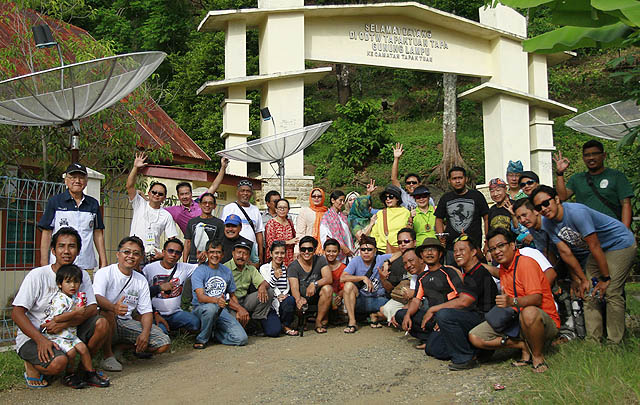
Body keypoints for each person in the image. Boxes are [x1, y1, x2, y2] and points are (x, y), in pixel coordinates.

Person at [531, 185, 636, 344]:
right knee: (588, 290)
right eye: (538, 207)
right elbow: (566, 253)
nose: (543, 209)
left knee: (612, 290)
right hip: (599, 249)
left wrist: (606, 278)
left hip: (620, 243)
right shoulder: (547, 222)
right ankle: (593, 341)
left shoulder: (577, 213)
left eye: (546, 203)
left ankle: (614, 342)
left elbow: (594, 246)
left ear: (557, 199)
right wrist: (582, 279)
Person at [12, 227, 110, 387]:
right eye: (61, 246)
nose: (66, 251)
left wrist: (65, 323)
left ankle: (83, 371)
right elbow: (17, 313)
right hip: (36, 335)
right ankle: (31, 365)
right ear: (53, 250)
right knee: (58, 363)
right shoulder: (38, 275)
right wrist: (41, 340)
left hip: (69, 330)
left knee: (101, 323)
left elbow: (92, 308)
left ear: (78, 251)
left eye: (71, 246)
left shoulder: (81, 274)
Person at [469, 228, 560, 373]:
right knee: (475, 336)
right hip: (517, 322)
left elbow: (536, 299)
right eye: (492, 249)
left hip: (542, 321)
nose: (497, 251)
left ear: (512, 245)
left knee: (529, 312)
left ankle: (537, 357)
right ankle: (522, 345)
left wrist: (512, 302)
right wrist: (471, 263)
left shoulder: (526, 263)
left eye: (500, 246)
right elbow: (494, 271)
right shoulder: (504, 269)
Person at [422, 236, 498, 370]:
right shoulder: (468, 274)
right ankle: (475, 350)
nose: (457, 254)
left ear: (474, 252)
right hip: (470, 317)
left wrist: (433, 309)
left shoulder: (479, 272)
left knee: (444, 315)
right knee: (433, 347)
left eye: (462, 250)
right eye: (455, 250)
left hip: (485, 320)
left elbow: (464, 302)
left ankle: (465, 358)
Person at [93, 236, 171, 366]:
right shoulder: (105, 273)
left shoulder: (141, 280)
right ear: (118, 254)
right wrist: (114, 308)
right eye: (126, 252)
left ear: (140, 258)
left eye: (136, 254)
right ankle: (107, 356)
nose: (131, 256)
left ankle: (122, 348)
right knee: (107, 313)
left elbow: (146, 311)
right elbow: (97, 297)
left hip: (126, 323)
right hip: (106, 321)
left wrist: (145, 334)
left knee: (164, 343)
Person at [42, 264, 109, 388]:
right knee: (72, 353)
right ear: (59, 284)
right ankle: (69, 375)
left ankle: (89, 373)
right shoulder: (60, 299)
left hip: (71, 334)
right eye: (68, 282)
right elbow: (57, 318)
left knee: (83, 349)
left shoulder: (74, 298)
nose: (73, 285)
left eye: (76, 282)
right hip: (59, 336)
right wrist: (76, 313)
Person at [395, 238, 463, 349]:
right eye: (426, 250)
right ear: (421, 255)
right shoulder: (422, 277)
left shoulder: (448, 272)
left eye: (433, 250)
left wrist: (443, 318)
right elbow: (416, 300)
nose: (429, 253)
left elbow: (460, 299)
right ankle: (429, 338)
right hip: (432, 317)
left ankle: (437, 339)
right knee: (401, 314)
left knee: (435, 350)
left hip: (449, 315)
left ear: (440, 254)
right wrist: (407, 315)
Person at [38, 163, 107, 270]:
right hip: (60, 265)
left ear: (86, 181)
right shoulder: (55, 202)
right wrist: (43, 263)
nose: (77, 181)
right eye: (73, 177)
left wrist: (104, 261)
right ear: (66, 180)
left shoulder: (93, 204)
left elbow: (97, 233)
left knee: (86, 287)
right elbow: (47, 233)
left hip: (85, 264)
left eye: (81, 178)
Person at [554, 140, 633, 227]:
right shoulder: (577, 178)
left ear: (604, 155)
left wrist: (625, 230)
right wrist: (560, 173)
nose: (591, 158)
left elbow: (626, 204)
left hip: (612, 230)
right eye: (587, 155)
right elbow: (562, 197)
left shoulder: (616, 176)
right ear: (583, 158)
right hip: (587, 231)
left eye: (595, 154)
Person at [191, 240, 248, 348]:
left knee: (241, 339)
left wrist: (238, 309)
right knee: (211, 309)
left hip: (222, 310)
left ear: (222, 254)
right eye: (212, 252)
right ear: (207, 254)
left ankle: (215, 334)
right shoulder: (200, 271)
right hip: (202, 309)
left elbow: (232, 295)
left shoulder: (226, 271)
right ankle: (202, 339)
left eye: (218, 252)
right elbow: (201, 297)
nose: (215, 255)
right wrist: (217, 300)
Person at [126, 152, 177, 261]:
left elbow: (172, 240)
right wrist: (135, 168)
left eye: (160, 194)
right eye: (154, 192)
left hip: (153, 256)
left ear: (164, 198)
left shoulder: (166, 216)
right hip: (133, 253)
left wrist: (163, 255)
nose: (157, 195)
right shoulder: (139, 204)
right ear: (149, 193)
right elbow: (129, 186)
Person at [142, 238, 200, 335]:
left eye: (177, 252)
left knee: (195, 323)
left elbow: (201, 267)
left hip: (175, 313)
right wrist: (160, 288)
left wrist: (202, 258)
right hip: (155, 314)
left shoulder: (184, 268)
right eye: (170, 251)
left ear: (181, 255)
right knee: (162, 332)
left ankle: (174, 329)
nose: (173, 255)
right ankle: (168, 330)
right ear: (163, 252)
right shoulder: (149, 269)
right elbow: (143, 293)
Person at [224, 241, 280, 337]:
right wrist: (239, 309)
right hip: (230, 303)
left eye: (245, 254)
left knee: (269, 291)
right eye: (239, 252)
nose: (241, 256)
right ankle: (245, 325)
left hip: (245, 300)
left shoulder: (251, 269)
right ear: (233, 253)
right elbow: (224, 296)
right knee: (236, 327)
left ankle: (256, 320)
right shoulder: (224, 268)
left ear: (249, 256)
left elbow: (264, 283)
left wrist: (262, 286)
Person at [435, 166, 489, 264]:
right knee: (454, 277)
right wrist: (441, 237)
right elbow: (438, 218)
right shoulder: (445, 198)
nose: (457, 181)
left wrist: (487, 241)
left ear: (466, 179)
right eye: (454, 178)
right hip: (451, 248)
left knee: (478, 275)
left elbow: (486, 218)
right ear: (449, 180)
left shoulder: (477, 196)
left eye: (460, 178)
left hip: (473, 247)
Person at [340, 235, 391, 333]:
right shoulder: (356, 261)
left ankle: (374, 315)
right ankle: (352, 321)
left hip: (379, 299)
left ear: (375, 250)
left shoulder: (380, 258)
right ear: (360, 250)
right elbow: (343, 277)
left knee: (394, 311)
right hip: (361, 300)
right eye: (363, 249)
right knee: (348, 285)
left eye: (369, 249)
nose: (366, 252)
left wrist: (388, 261)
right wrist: (363, 278)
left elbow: (400, 254)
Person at [164, 157, 228, 234]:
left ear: (191, 194)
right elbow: (153, 206)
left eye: (187, 193)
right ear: (178, 196)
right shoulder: (175, 211)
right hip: (191, 243)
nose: (184, 197)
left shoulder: (200, 202)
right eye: (182, 194)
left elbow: (214, 186)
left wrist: (223, 167)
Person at [287, 236, 334, 334]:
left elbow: (328, 278)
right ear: (299, 250)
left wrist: (315, 284)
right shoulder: (293, 266)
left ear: (315, 250)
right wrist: (299, 299)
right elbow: (294, 287)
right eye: (303, 249)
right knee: (295, 300)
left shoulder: (320, 259)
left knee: (328, 289)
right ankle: (300, 320)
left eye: (310, 249)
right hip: (301, 296)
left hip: (316, 295)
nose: (306, 252)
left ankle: (318, 321)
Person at [221, 180, 265, 264]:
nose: (245, 193)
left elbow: (259, 233)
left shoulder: (255, 210)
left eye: (248, 191)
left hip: (250, 252)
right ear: (237, 192)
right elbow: (223, 228)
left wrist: (260, 254)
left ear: (251, 194)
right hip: (231, 251)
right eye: (242, 191)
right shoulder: (229, 208)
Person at [259, 241, 297, 336]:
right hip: (270, 304)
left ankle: (285, 325)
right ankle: (276, 324)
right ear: (271, 253)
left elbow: (288, 288)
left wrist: (285, 295)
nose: (279, 256)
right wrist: (275, 278)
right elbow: (266, 286)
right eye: (276, 253)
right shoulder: (264, 268)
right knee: (274, 332)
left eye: (282, 253)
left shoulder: (287, 269)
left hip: (283, 302)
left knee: (290, 300)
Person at [378, 228, 416, 323]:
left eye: (406, 241)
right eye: (399, 242)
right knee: (386, 309)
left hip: (423, 296)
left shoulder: (423, 256)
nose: (403, 244)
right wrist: (383, 279)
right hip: (403, 299)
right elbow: (389, 288)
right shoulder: (397, 263)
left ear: (414, 242)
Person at [487, 178, 531, 247]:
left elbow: (520, 229)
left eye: (498, 190)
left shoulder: (515, 205)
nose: (495, 194)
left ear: (505, 189)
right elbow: (489, 231)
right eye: (492, 191)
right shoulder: (491, 210)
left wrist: (513, 215)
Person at [184, 192, 223, 264]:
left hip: (211, 261)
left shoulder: (219, 223)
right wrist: (184, 262)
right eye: (205, 203)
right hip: (193, 260)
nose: (207, 205)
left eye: (210, 203)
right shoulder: (192, 222)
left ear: (215, 206)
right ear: (200, 205)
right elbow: (187, 243)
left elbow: (220, 244)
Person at [391, 142, 432, 210]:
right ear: (406, 186)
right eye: (408, 183)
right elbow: (394, 179)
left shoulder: (426, 199)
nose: (411, 184)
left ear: (419, 184)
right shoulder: (403, 196)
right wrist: (396, 159)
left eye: (414, 182)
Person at [370, 185, 411, 253]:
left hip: (401, 250)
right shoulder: (380, 213)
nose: (388, 199)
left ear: (397, 198)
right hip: (382, 251)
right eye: (385, 197)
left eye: (391, 197)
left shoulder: (406, 212)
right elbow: (374, 234)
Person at [320, 190, 355, 263]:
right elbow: (327, 237)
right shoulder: (326, 217)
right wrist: (343, 247)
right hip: (337, 255)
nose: (342, 203)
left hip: (348, 253)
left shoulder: (343, 216)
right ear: (333, 200)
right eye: (340, 200)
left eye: (343, 201)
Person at [264, 198, 297, 266]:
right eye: (280, 207)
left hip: (290, 258)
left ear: (288, 210)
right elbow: (271, 243)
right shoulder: (271, 223)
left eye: (284, 207)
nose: (282, 209)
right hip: (277, 258)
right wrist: (287, 242)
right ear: (276, 209)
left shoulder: (290, 222)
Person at [296, 188, 328, 253]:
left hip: (324, 249)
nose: (316, 198)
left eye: (319, 196)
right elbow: (300, 233)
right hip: (308, 249)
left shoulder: (327, 212)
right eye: (314, 196)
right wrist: (297, 250)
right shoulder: (304, 212)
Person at [324, 238, 347, 321]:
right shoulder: (320, 264)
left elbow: (344, 286)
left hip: (338, 295)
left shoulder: (343, 267)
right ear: (324, 251)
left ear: (338, 252)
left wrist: (340, 295)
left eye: (334, 251)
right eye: (328, 251)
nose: (331, 254)